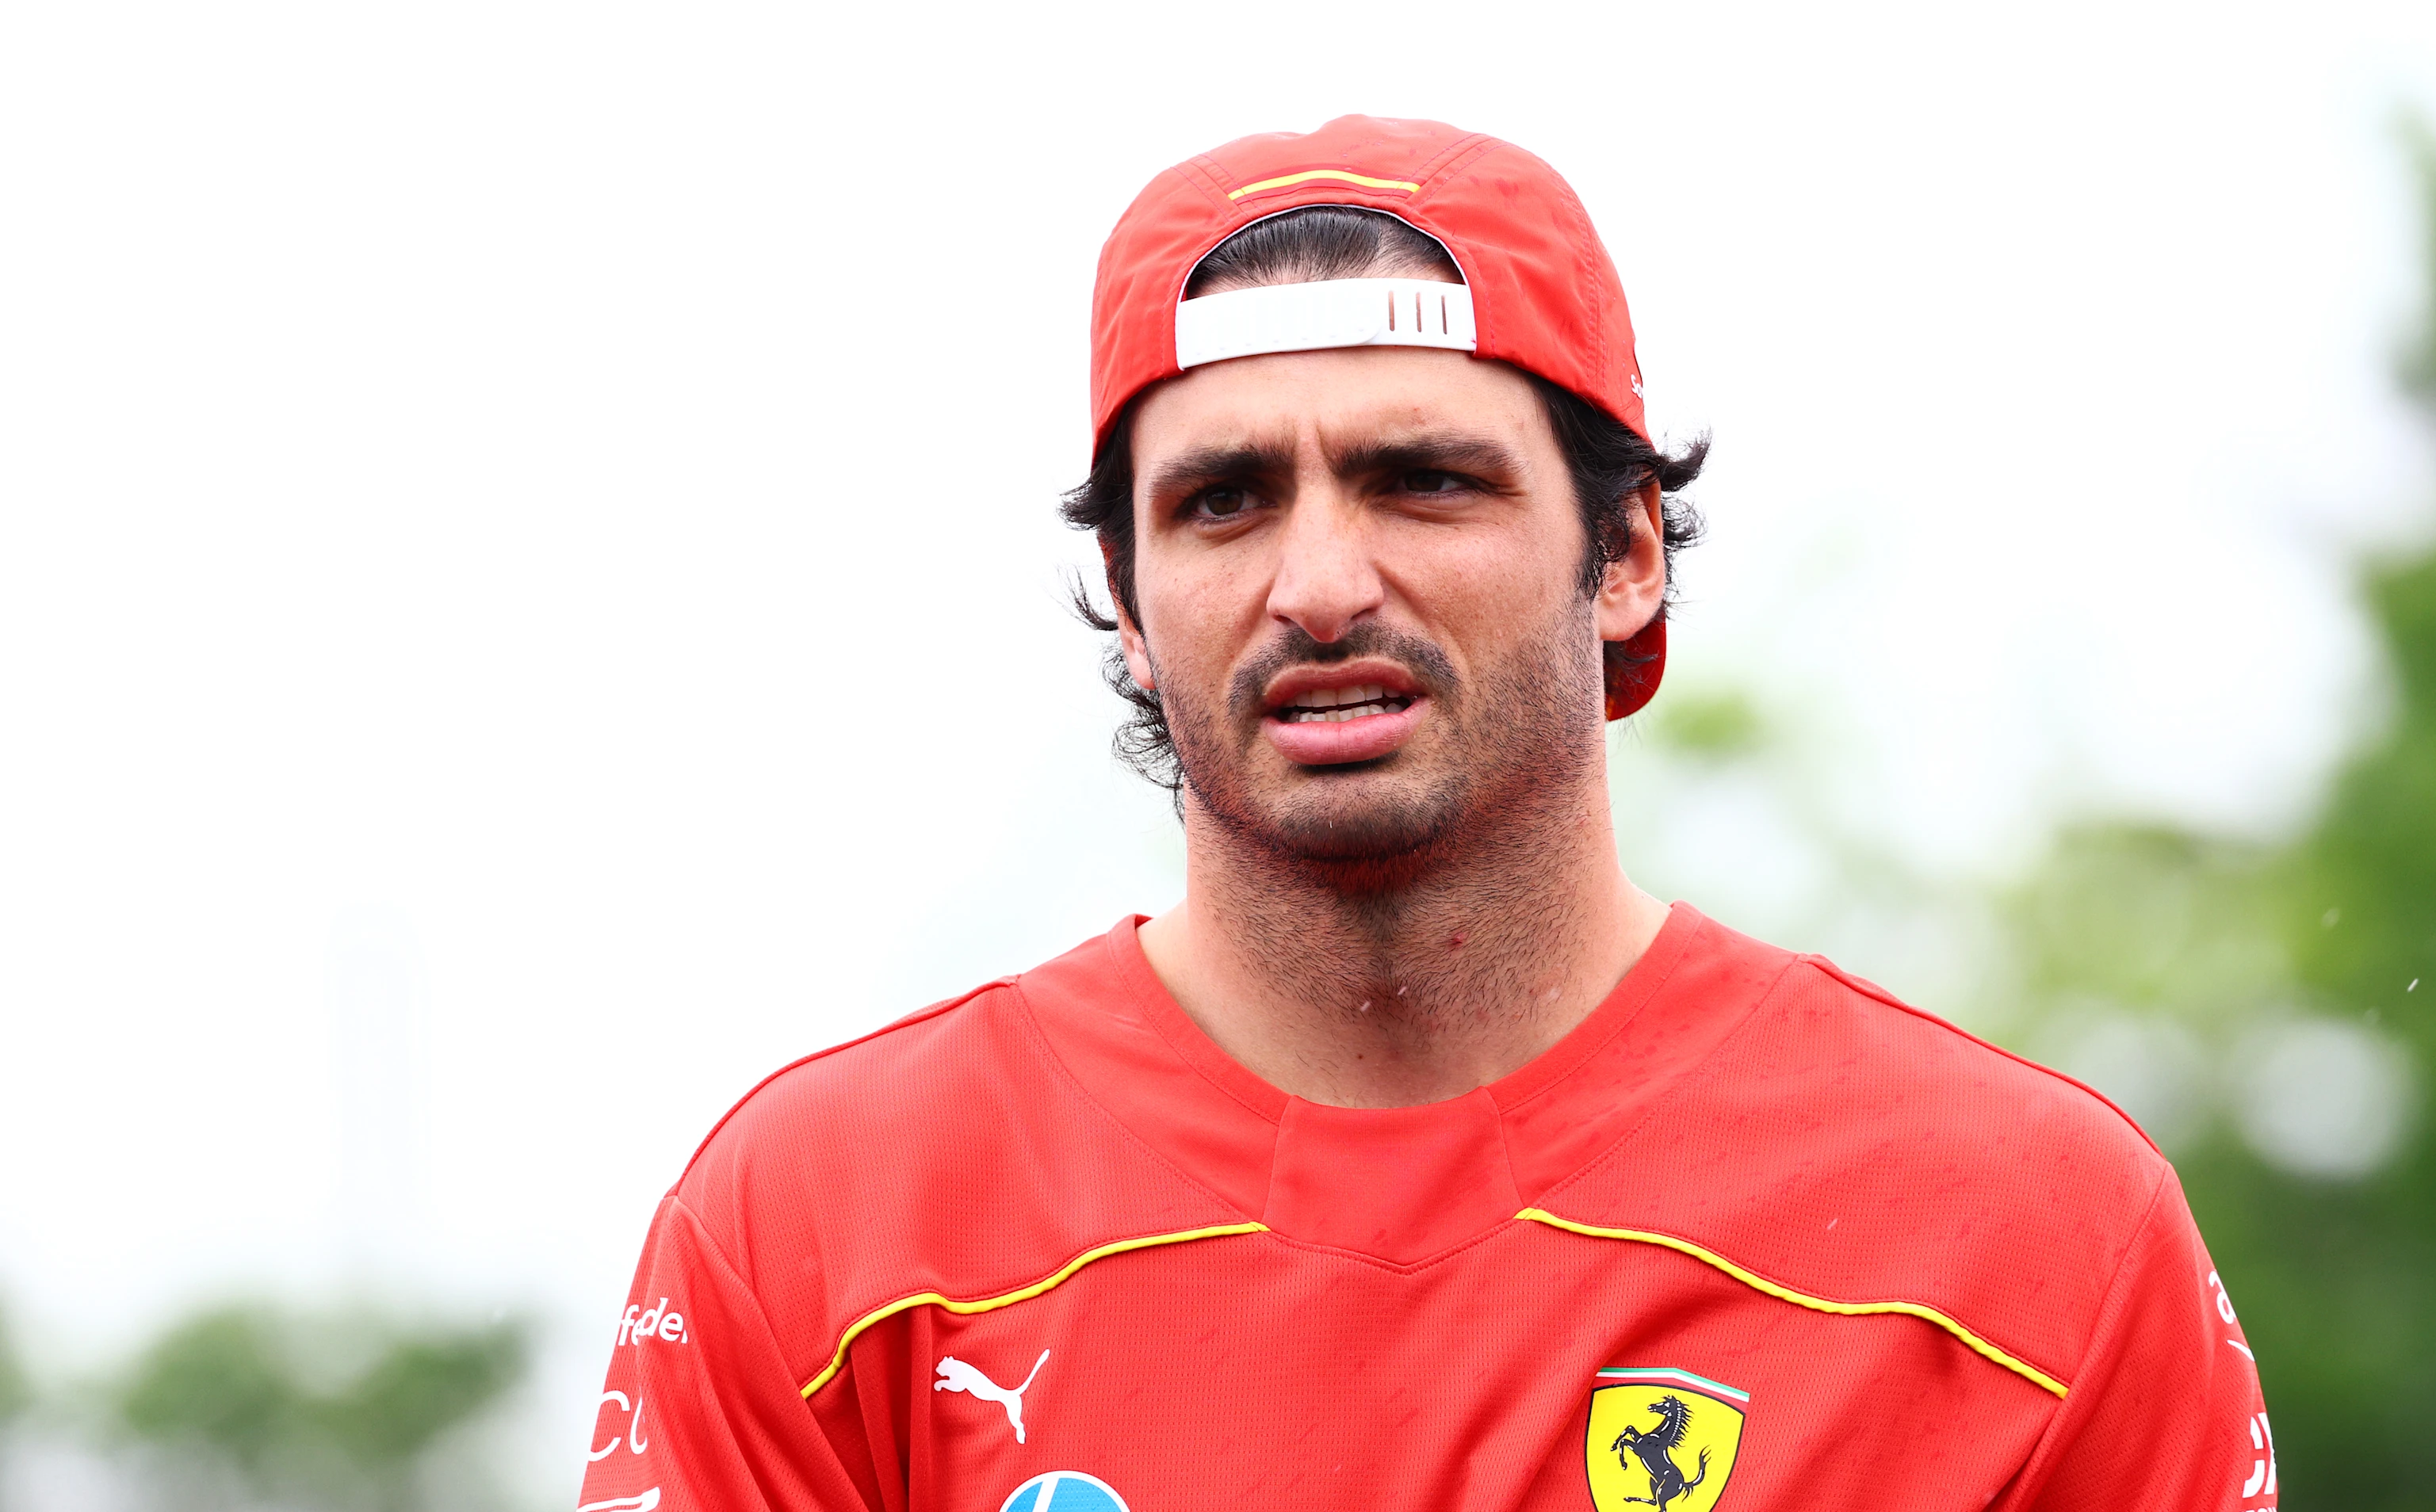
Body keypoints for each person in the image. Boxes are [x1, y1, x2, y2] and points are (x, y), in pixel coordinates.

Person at [579, 115, 2276, 1512]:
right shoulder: (820, 1236)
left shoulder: (2021, 1244)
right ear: (1128, 595)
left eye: (1423, 481)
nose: (1320, 585)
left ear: (1623, 553)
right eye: (1225, 501)